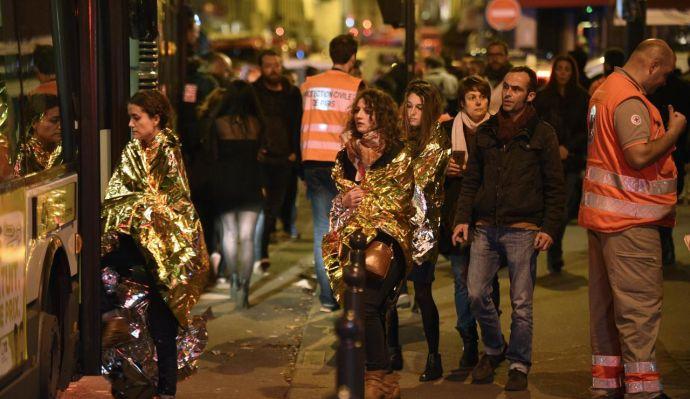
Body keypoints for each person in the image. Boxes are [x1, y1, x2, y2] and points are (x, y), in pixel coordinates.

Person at [579, 39, 685, 399]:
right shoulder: (628, 99)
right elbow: (638, 155)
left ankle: (608, 386)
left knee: (606, 310)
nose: (664, 82)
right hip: (629, 222)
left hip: (603, 218)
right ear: (653, 65)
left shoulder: (603, 91)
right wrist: (673, 133)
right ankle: (645, 393)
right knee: (639, 310)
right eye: (665, 73)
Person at [452, 66, 565, 391]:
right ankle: (494, 347)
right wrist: (462, 218)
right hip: (486, 226)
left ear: (530, 95)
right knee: (475, 293)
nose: (508, 93)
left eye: (516, 89)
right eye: (506, 87)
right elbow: (472, 180)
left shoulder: (542, 134)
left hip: (524, 228)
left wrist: (549, 228)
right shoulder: (487, 132)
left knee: (521, 303)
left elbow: (556, 187)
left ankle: (518, 362)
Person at [101, 90, 209, 398]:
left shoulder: (168, 149)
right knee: (102, 263)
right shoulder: (132, 151)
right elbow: (117, 194)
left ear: (156, 119)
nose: (131, 124)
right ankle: (112, 321)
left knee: (163, 320)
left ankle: (166, 390)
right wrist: (135, 208)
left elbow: (174, 202)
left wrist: (140, 208)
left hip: (167, 246)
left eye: (136, 118)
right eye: (130, 117)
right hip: (137, 240)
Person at [323, 88, 413, 398]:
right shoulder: (347, 155)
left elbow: (399, 202)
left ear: (381, 115)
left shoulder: (398, 153)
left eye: (368, 110)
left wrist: (368, 200)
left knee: (370, 305)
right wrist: (346, 200)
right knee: (360, 306)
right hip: (354, 241)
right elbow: (339, 202)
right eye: (358, 109)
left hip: (388, 241)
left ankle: (377, 374)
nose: (360, 115)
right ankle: (381, 378)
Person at [387, 81, 450, 382]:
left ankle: (434, 355)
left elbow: (416, 183)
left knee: (422, 293)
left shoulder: (436, 141)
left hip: (422, 229)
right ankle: (391, 349)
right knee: (390, 290)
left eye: (419, 107)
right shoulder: (398, 137)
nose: (412, 113)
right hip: (394, 224)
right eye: (409, 105)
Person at [441, 75, 501, 370]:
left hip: (490, 214)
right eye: (472, 97)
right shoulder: (446, 130)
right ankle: (469, 341)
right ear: (462, 102)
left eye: (482, 96)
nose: (478, 102)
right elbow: (429, 168)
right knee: (461, 279)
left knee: (489, 280)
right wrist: (444, 168)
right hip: (457, 214)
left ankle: (493, 340)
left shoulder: (497, 129)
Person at [300, 34, 363, 312]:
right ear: (353, 57)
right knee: (347, 226)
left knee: (322, 230)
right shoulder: (356, 86)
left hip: (313, 161)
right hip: (342, 163)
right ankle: (345, 290)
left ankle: (327, 297)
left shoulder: (309, 85)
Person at [197, 80, 265, 307]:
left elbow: (210, 155)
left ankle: (233, 277)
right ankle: (244, 286)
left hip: (225, 182)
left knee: (229, 233)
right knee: (247, 237)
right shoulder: (258, 124)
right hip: (251, 181)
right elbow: (262, 154)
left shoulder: (218, 124)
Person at [534, 54, 590, 273]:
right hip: (547, 160)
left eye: (567, 69)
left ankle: (554, 249)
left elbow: (586, 129)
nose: (563, 73)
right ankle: (550, 249)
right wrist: (553, 147)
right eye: (560, 69)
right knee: (546, 206)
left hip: (571, 160)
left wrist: (569, 148)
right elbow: (537, 126)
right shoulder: (543, 97)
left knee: (564, 210)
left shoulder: (583, 97)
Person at [253, 49, 303, 272]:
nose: (273, 69)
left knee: (275, 205)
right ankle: (261, 252)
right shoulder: (254, 92)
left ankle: (262, 246)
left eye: (276, 64)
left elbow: (298, 123)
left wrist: (295, 152)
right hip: (262, 158)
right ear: (261, 68)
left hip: (284, 158)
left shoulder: (291, 93)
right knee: (264, 207)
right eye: (268, 65)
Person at [14, 94, 62, 175]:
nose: (61, 126)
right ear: (34, 122)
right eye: (54, 120)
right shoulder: (24, 155)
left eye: (63, 120)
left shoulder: (66, 147)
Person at [485, 40, 513, 115]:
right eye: (491, 55)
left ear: (507, 57)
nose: (495, 58)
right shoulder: (480, 79)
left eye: (499, 55)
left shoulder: (514, 79)